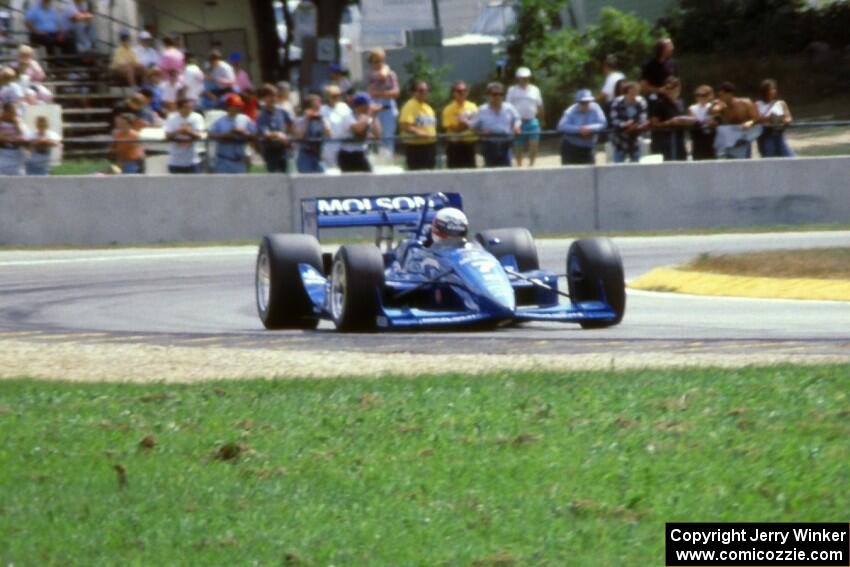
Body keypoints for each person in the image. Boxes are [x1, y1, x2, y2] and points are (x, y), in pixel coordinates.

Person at [470, 82, 520, 168]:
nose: (498, 97)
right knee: (490, 173)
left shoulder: (509, 108)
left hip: (506, 143)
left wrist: (516, 126)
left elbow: (517, 119)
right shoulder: (482, 110)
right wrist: (481, 133)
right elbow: (472, 127)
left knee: (506, 172)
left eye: (501, 94)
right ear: (488, 95)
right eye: (495, 94)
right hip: (489, 145)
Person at [709, 81, 760, 159]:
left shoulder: (745, 103)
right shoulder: (721, 105)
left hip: (743, 137)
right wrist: (715, 106)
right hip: (728, 138)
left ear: (730, 94)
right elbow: (711, 112)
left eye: (722, 95)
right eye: (719, 95)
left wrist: (749, 122)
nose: (720, 97)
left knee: (742, 163)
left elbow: (756, 118)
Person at [557, 89, 607, 165]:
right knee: (569, 174)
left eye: (587, 102)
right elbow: (561, 126)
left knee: (590, 174)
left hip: (589, 147)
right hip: (571, 147)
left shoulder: (596, 108)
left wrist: (589, 128)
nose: (585, 104)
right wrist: (579, 129)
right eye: (582, 102)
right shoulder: (570, 111)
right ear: (577, 102)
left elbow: (603, 123)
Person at [208, 93, 256, 173]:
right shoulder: (220, 121)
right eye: (236, 106)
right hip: (223, 160)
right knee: (222, 185)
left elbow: (255, 135)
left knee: (240, 185)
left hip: (240, 160)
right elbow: (210, 135)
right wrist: (225, 134)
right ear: (228, 107)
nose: (238, 108)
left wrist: (244, 133)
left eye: (239, 106)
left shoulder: (245, 119)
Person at [506, 67, 543, 167]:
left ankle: (531, 165)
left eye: (526, 77)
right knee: (518, 147)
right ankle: (519, 166)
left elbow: (539, 105)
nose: (524, 79)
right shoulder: (512, 90)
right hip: (518, 122)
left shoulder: (535, 89)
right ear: (518, 78)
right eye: (522, 77)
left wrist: (542, 120)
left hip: (532, 120)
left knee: (534, 145)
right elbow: (508, 107)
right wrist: (510, 122)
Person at [365, 48, 400, 154]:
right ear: (370, 62)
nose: (379, 64)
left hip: (388, 110)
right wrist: (386, 94)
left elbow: (396, 92)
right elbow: (381, 76)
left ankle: (387, 161)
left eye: (381, 61)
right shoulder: (369, 74)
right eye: (376, 61)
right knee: (374, 138)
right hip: (374, 111)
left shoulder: (391, 74)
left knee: (388, 138)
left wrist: (379, 93)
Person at [649, 77, 690, 161]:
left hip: (680, 139)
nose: (669, 91)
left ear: (678, 88)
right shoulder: (660, 103)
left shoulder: (681, 102)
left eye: (672, 88)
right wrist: (669, 122)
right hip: (665, 140)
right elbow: (654, 124)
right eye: (667, 88)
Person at [337, 92, 380, 173]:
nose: (369, 107)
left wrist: (374, 116)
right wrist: (369, 115)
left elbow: (377, 134)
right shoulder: (348, 117)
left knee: (368, 178)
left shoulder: (366, 118)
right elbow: (357, 129)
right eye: (367, 104)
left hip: (361, 153)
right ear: (360, 105)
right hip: (348, 154)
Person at [399, 80, 437, 171]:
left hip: (429, 146)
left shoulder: (428, 107)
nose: (424, 93)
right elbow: (405, 125)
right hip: (416, 148)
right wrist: (421, 133)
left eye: (426, 90)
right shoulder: (410, 105)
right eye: (421, 90)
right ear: (413, 93)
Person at [256, 84, 293, 173]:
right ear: (264, 98)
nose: (273, 99)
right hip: (270, 151)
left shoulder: (282, 111)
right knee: (273, 178)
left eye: (275, 96)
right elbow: (265, 133)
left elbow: (291, 123)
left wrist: (288, 136)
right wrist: (279, 135)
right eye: (270, 96)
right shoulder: (261, 115)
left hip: (283, 150)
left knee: (286, 178)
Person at [441, 80, 478, 169]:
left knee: (471, 173)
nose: (462, 93)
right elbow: (455, 129)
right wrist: (469, 123)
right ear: (453, 93)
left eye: (464, 90)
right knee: (454, 173)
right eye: (459, 91)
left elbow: (477, 125)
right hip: (455, 145)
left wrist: (465, 123)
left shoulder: (473, 106)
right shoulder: (448, 109)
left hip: (470, 144)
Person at [609, 81, 648, 163]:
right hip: (620, 140)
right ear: (625, 94)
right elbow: (614, 120)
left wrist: (636, 126)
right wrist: (624, 124)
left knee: (636, 167)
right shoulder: (617, 103)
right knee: (618, 167)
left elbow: (643, 119)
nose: (634, 96)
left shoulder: (641, 102)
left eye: (635, 93)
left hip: (635, 140)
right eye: (631, 94)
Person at [164, 98, 205, 174]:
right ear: (179, 108)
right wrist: (179, 131)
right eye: (186, 107)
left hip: (192, 161)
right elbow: (167, 136)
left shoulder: (197, 117)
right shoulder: (171, 118)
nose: (189, 110)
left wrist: (187, 131)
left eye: (191, 107)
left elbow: (199, 135)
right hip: (175, 161)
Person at [756, 79, 794, 158]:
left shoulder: (781, 103)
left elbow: (788, 117)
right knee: (769, 159)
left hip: (779, 134)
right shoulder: (757, 105)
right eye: (770, 89)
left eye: (774, 89)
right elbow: (756, 120)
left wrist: (786, 121)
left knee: (790, 157)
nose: (773, 91)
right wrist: (768, 118)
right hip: (765, 136)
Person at [294, 94, 331, 174]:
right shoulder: (300, 119)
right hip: (305, 154)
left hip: (319, 154)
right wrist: (306, 119)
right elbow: (299, 136)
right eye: (314, 106)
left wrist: (321, 120)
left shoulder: (322, 119)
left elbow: (329, 134)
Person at [320, 84, 352, 168]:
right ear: (327, 97)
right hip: (330, 146)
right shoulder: (323, 109)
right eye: (334, 96)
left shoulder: (344, 107)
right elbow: (327, 130)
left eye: (339, 95)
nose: (337, 98)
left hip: (345, 145)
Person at [688, 85, 717, 161]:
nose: (700, 97)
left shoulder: (713, 107)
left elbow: (713, 121)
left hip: (711, 139)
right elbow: (693, 120)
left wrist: (702, 121)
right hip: (698, 137)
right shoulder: (692, 108)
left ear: (709, 96)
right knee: (697, 159)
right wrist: (705, 121)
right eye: (698, 95)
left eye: (703, 95)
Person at [0, 102, 27, 175]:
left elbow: (24, 138)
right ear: (5, 111)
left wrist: (17, 125)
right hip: (2, 155)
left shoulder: (19, 122)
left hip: (16, 155)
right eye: (11, 111)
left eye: (14, 111)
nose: (13, 114)